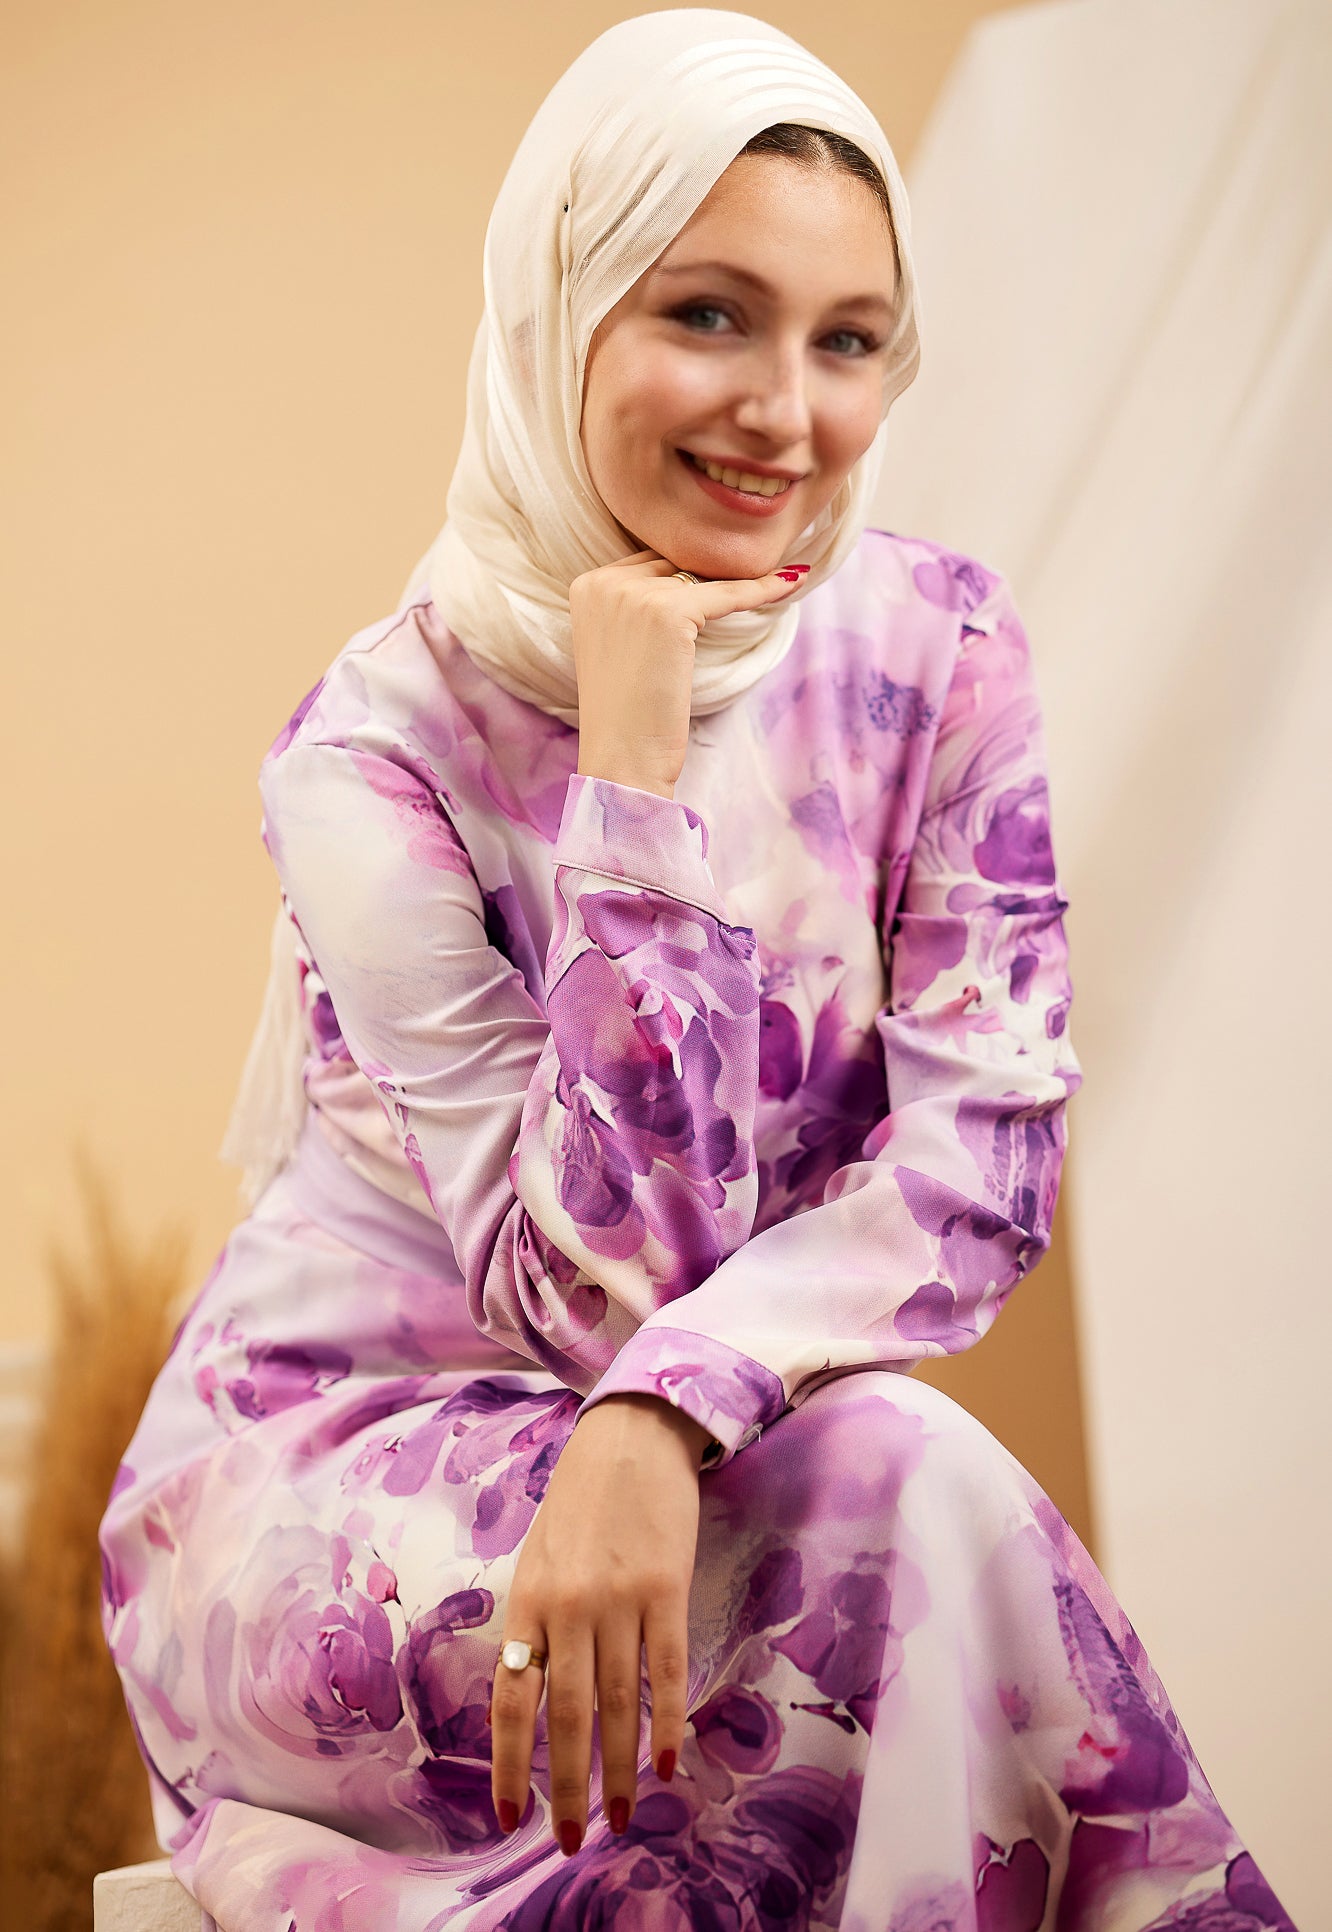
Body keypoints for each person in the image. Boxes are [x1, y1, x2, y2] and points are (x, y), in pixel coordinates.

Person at [98, 11, 1297, 1929]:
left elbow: (978, 1162)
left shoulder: (937, 648)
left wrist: (669, 1411)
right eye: (710, 315)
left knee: (882, 1482)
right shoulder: (373, 750)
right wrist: (635, 787)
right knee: (884, 1493)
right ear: (558, 305)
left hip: (723, 1454)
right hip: (346, 1494)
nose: (785, 412)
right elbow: (589, 1287)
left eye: (846, 342)